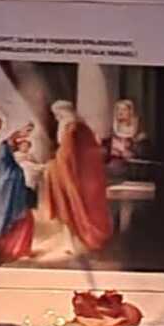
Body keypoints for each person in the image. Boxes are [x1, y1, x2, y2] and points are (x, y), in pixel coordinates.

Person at [43, 100, 112, 254]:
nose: (56, 117)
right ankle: (71, 242)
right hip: (73, 173)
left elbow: (67, 153)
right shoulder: (80, 127)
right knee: (69, 207)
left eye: (58, 114)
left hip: (72, 174)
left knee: (71, 207)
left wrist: (53, 165)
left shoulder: (71, 127)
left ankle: (75, 243)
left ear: (64, 112)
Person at [0, 123, 38, 264]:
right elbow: (3, 174)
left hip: (16, 191)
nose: (26, 135)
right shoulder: (2, 148)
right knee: (20, 219)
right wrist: (20, 173)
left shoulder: (8, 148)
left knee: (27, 219)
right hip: (8, 193)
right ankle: (12, 251)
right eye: (24, 131)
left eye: (28, 132)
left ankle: (20, 250)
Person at [103, 98, 149, 175]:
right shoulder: (113, 130)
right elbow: (111, 150)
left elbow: (141, 153)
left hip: (133, 166)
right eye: (118, 109)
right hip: (115, 162)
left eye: (124, 109)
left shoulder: (139, 132)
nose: (120, 112)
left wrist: (124, 150)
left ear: (130, 111)